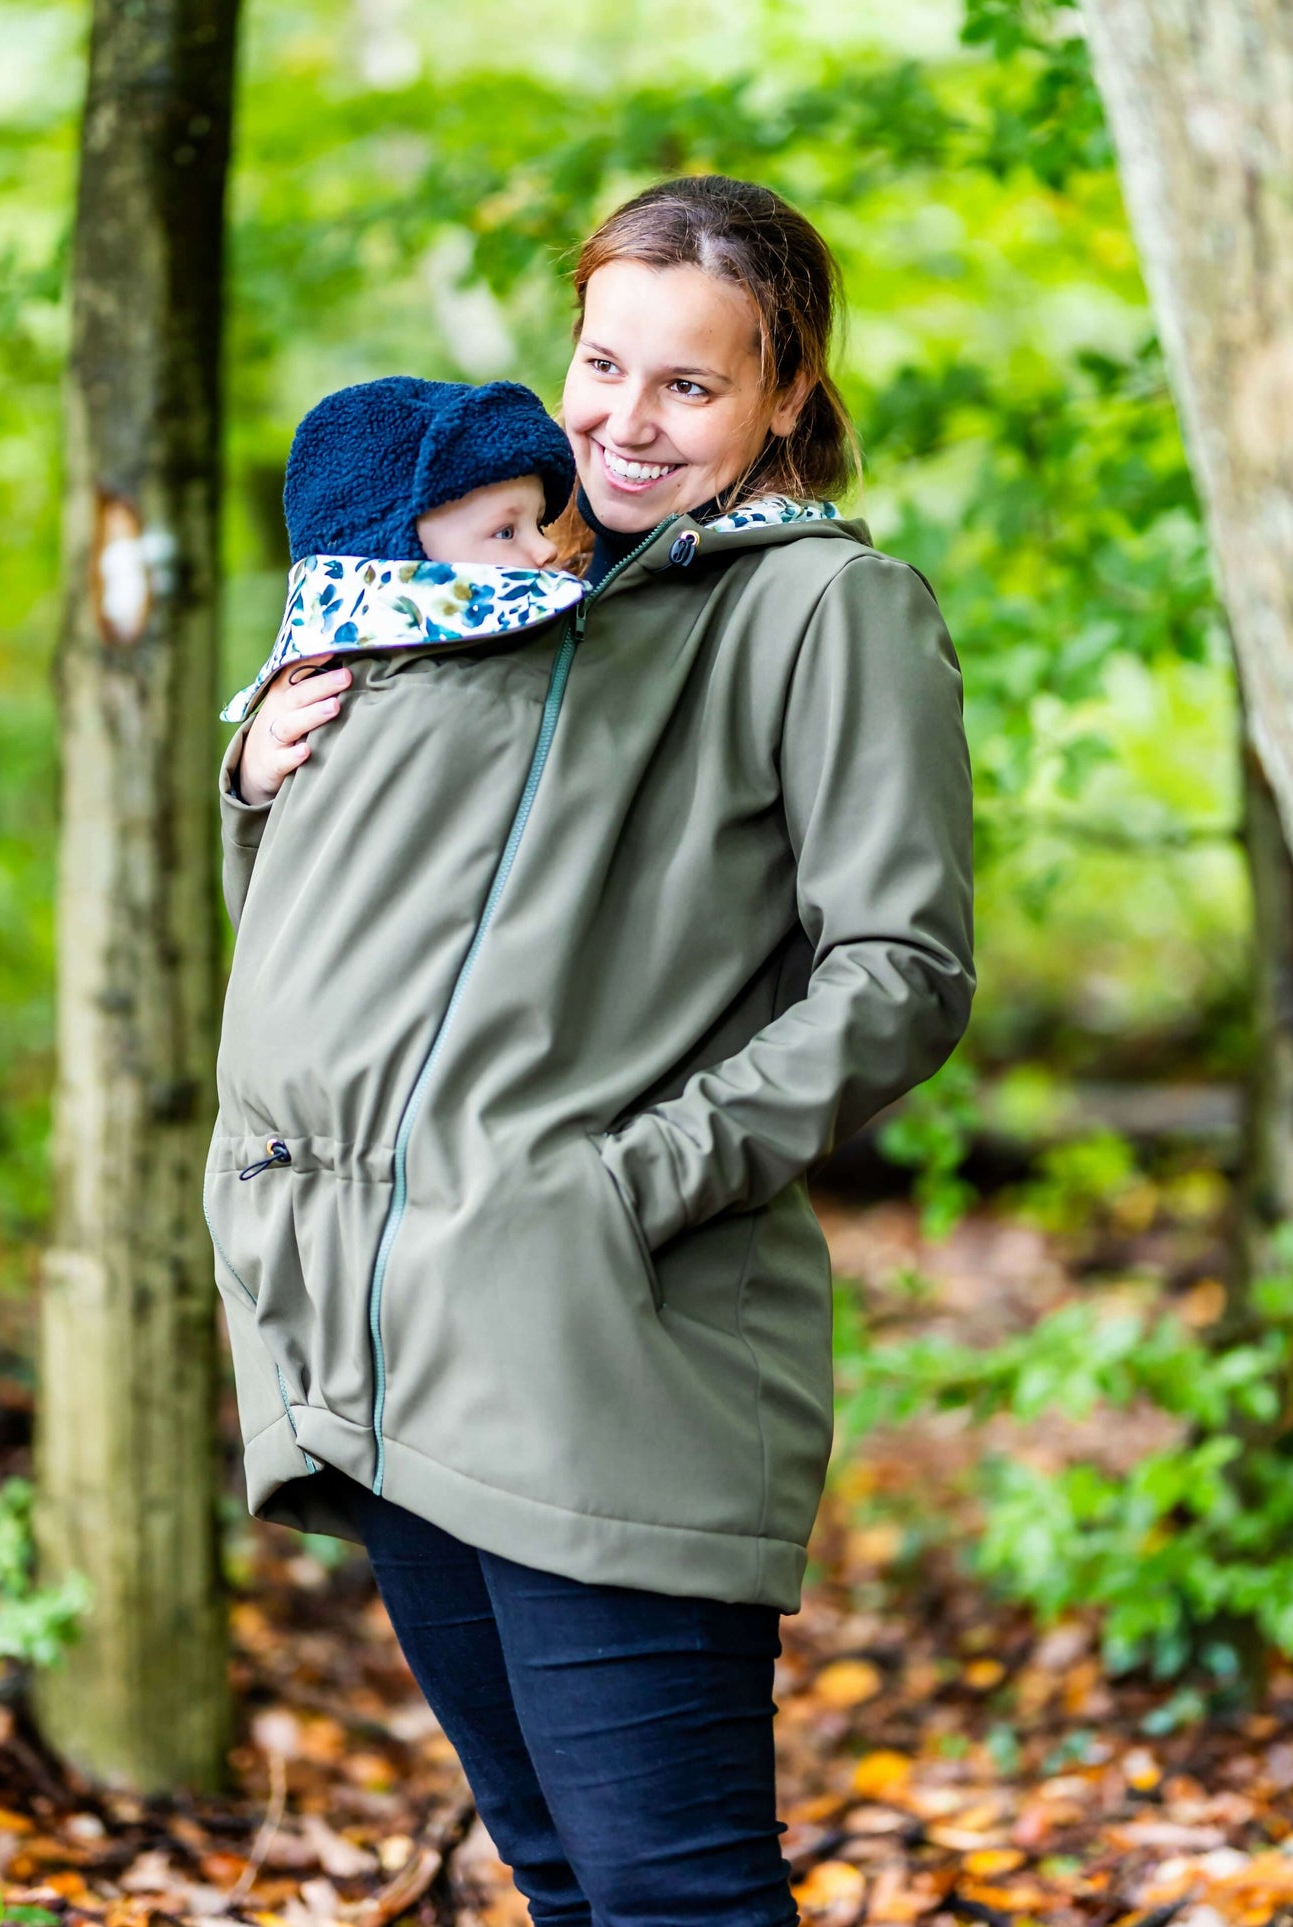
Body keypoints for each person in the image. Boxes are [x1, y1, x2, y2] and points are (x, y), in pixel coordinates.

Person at [205, 174, 975, 1926]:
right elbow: (392, 918)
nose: (627, 424)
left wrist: (627, 1185)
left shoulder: (819, 612)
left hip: (611, 1329)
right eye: (601, 368)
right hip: (384, 1316)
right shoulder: (493, 579)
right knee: (557, 1870)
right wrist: (261, 778)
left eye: (691, 386)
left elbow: (903, 967)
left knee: (670, 1889)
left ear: (786, 394)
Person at [222, 374, 580, 804]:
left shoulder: (534, 671)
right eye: (505, 531)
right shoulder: (339, 704)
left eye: (539, 523)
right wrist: (254, 787)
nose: (544, 548)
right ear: (401, 562)